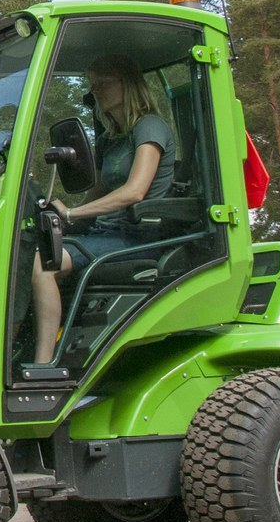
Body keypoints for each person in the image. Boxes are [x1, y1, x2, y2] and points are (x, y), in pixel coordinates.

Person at [29, 55, 176, 365]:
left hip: (136, 238)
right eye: (92, 86)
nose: (95, 91)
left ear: (128, 84)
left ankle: (43, 364)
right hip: (104, 234)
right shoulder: (113, 138)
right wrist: (64, 211)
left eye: (103, 84)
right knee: (24, 252)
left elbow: (134, 192)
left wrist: (71, 216)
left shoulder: (149, 127)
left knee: (45, 264)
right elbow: (98, 193)